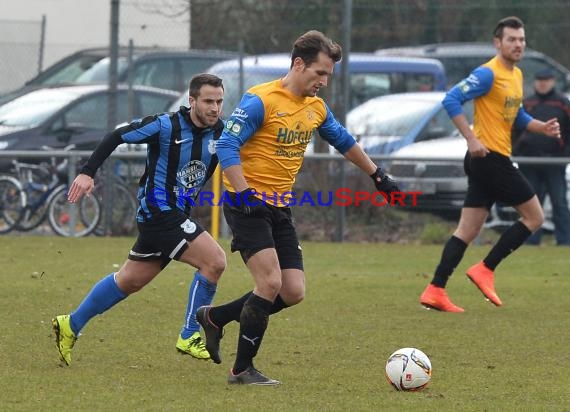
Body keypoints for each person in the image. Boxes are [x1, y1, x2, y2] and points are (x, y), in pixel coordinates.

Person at [195, 30, 399, 385]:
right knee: (270, 281)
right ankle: (242, 369)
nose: (323, 81)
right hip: (247, 204)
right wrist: (243, 194)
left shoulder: (316, 108)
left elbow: (344, 141)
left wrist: (378, 176)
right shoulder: (261, 100)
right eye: (319, 73)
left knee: (293, 291)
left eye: (328, 76)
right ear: (298, 64)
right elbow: (226, 145)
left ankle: (216, 317)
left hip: (280, 207)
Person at [52, 73, 227, 365]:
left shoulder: (221, 132)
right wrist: (87, 171)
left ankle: (71, 324)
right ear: (192, 100)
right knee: (215, 261)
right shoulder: (165, 125)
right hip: (158, 212)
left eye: (219, 101)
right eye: (208, 101)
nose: (214, 108)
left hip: (176, 214)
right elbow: (116, 136)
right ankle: (189, 334)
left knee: (130, 281)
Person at [418, 16, 561, 313]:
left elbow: (517, 115)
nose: (518, 44)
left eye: (521, 39)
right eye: (512, 39)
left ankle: (435, 289)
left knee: (467, 230)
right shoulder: (487, 74)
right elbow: (451, 100)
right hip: (489, 158)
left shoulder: (517, 75)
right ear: (498, 43)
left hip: (486, 159)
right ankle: (486, 268)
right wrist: (471, 138)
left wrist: (541, 127)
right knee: (534, 217)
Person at [513, 68, 570, 245]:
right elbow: (513, 129)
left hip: (554, 161)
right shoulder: (526, 103)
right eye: (539, 79)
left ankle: (565, 241)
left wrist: (565, 154)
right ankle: (530, 240)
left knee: (559, 202)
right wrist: (517, 151)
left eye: (546, 80)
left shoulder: (562, 103)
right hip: (529, 161)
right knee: (530, 204)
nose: (542, 83)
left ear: (552, 81)